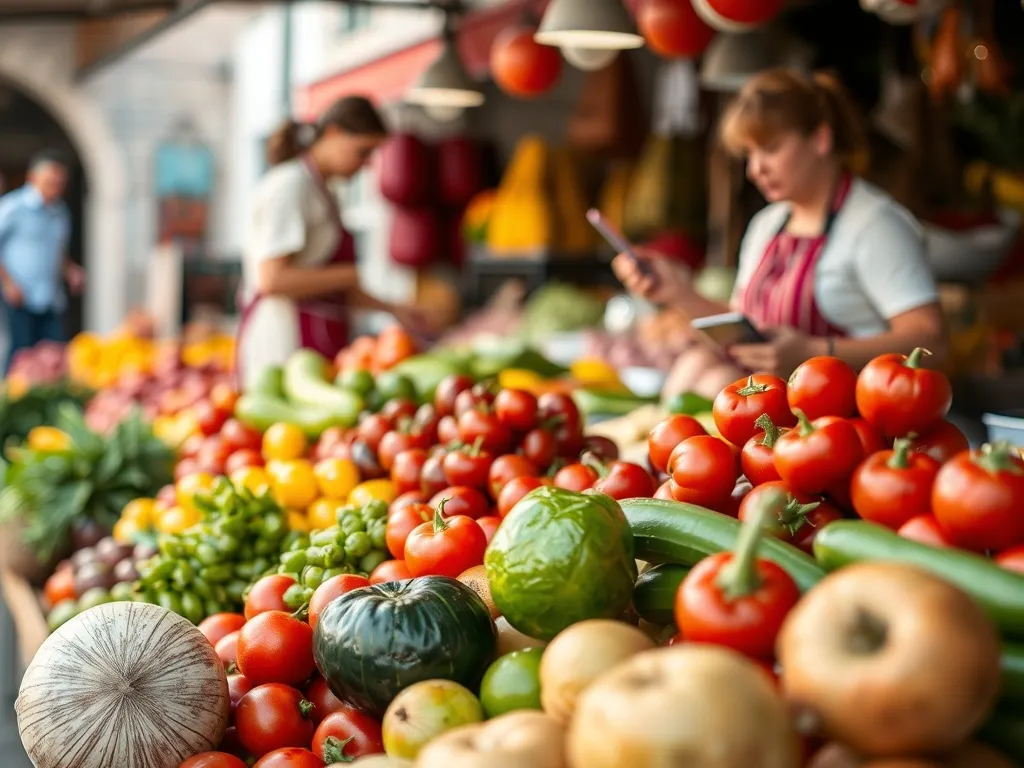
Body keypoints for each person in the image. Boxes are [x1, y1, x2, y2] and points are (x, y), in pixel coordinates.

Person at [614, 69, 947, 380]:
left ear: (820, 139)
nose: (754, 170)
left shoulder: (876, 225)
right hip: (772, 412)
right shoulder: (768, 223)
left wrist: (815, 353)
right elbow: (746, 323)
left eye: (770, 149)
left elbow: (931, 342)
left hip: (845, 416)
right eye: (748, 154)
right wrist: (677, 292)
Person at [238, 95, 427, 389]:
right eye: (363, 151)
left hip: (318, 341)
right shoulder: (291, 186)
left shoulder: (324, 191)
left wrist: (393, 308)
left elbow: (330, 289)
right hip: (284, 344)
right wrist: (348, 275)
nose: (367, 164)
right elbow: (272, 280)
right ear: (333, 133)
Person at [0, 151, 85, 374]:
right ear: (33, 178)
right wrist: (8, 284)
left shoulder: (60, 212)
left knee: (53, 357)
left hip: (49, 295)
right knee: (20, 356)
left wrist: (70, 270)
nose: (55, 188)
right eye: (50, 182)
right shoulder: (13, 207)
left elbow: (57, 250)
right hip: (19, 296)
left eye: (60, 184)